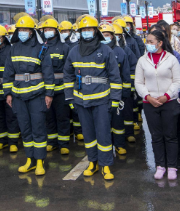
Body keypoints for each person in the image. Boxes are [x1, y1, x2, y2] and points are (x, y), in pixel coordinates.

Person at [63, 15, 122, 181]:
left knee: (103, 134)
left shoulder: (105, 50)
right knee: (88, 135)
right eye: (83, 30)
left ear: (96, 31)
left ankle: (106, 165)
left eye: (89, 29)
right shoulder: (74, 51)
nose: (86, 32)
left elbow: (115, 77)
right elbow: (68, 75)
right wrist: (70, 98)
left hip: (102, 100)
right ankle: (93, 163)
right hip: (81, 101)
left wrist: (115, 99)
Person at [4, 15, 54, 176]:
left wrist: (49, 94)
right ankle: (30, 160)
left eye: (26, 29)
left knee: (38, 128)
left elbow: (48, 72)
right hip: (18, 96)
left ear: (32, 32)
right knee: (25, 129)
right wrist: (8, 93)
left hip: (37, 95)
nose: (23, 32)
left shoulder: (41, 48)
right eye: (21, 29)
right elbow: (8, 73)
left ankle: (40, 161)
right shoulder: (13, 48)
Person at [135, 29, 180, 180]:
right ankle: (160, 165)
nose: (148, 44)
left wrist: (167, 96)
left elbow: (177, 81)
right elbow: (138, 82)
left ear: (160, 43)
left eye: (151, 42)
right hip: (150, 103)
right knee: (156, 136)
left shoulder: (171, 59)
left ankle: (172, 166)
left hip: (169, 102)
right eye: (147, 42)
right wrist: (147, 96)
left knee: (170, 135)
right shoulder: (142, 60)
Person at [39, 17, 71, 155]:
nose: (48, 32)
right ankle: (52, 142)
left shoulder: (65, 47)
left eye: (50, 29)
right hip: (45, 89)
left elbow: (69, 69)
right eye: (45, 30)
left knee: (62, 116)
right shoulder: (41, 47)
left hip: (61, 89)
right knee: (49, 117)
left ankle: (63, 143)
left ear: (56, 31)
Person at [0, 25, 20, 152]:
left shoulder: (10, 50)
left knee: (11, 116)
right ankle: (2, 140)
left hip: (9, 90)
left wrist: (11, 90)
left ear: (4, 38)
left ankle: (13, 142)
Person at [102, 22, 133, 156]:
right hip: (100, 93)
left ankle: (119, 144)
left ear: (113, 36)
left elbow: (125, 73)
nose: (104, 37)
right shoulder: (95, 51)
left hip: (116, 93)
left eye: (107, 35)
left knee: (117, 121)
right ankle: (106, 146)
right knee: (103, 123)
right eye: (102, 35)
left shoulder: (120, 51)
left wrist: (125, 93)